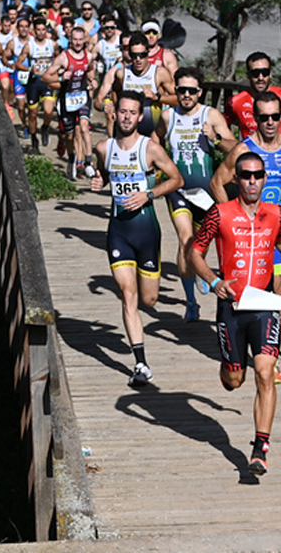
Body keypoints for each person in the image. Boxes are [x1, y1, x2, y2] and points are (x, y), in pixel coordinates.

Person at [188, 152, 281, 476]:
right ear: (236, 180)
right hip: (231, 305)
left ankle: (260, 446)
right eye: (246, 175)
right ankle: (228, 366)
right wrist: (213, 280)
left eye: (257, 175)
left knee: (265, 370)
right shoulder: (219, 214)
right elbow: (195, 251)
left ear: (264, 178)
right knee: (235, 379)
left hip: (264, 303)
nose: (252, 181)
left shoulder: (275, 212)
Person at [210, 91, 281, 384]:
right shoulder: (243, 150)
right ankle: (238, 351)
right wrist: (230, 217)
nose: (269, 122)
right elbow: (218, 182)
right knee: (252, 294)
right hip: (245, 236)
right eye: (263, 117)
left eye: (274, 117)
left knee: (279, 296)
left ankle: (270, 356)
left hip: (279, 235)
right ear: (255, 119)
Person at [89, 91, 184, 387]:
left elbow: (176, 179)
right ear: (115, 114)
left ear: (140, 117)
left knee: (149, 298)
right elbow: (105, 174)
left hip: (147, 232)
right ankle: (141, 363)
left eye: (133, 112)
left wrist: (149, 194)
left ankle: (141, 345)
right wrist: (99, 181)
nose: (127, 117)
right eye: (123, 112)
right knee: (127, 294)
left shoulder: (150, 149)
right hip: (118, 231)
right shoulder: (104, 148)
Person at [154, 67, 236, 322]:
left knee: (200, 245)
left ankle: (200, 270)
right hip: (178, 190)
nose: (186, 95)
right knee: (186, 240)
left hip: (206, 192)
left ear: (200, 92)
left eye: (192, 90)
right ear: (175, 90)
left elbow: (235, 147)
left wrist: (215, 137)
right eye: (181, 90)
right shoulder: (168, 117)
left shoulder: (210, 115)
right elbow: (153, 143)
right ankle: (190, 302)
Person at [225, 51, 281, 141]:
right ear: (248, 75)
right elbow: (220, 124)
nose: (260, 78)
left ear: (270, 74)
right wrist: (233, 145)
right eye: (255, 73)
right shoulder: (235, 101)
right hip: (252, 155)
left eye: (265, 72)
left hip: (280, 154)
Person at [43, 26, 97, 179]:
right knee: (69, 135)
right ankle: (72, 158)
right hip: (66, 99)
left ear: (85, 40)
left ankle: (88, 162)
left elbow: (90, 70)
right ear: (70, 40)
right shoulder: (63, 57)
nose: (78, 43)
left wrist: (92, 81)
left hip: (83, 96)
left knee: (84, 127)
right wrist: (60, 78)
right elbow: (45, 77)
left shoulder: (89, 56)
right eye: (75, 40)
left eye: (81, 39)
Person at [102, 33, 175, 137]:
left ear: (148, 53)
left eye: (142, 55)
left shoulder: (160, 73)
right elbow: (115, 92)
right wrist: (114, 106)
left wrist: (157, 97)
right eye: (134, 55)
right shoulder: (121, 74)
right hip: (128, 131)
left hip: (152, 132)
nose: (138, 59)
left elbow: (178, 99)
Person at [15, 18, 58, 152]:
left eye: (43, 30)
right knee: (32, 114)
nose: (40, 33)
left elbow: (59, 58)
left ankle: (45, 127)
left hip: (47, 82)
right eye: (38, 30)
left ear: (46, 30)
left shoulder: (52, 44)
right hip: (33, 83)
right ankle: (34, 139)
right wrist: (29, 69)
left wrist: (55, 71)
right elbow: (18, 63)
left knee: (48, 111)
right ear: (33, 31)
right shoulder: (29, 46)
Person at [95, 31, 131, 139]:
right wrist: (103, 106)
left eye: (131, 47)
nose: (129, 51)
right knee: (110, 116)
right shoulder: (113, 72)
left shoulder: (148, 68)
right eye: (126, 48)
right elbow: (97, 101)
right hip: (122, 122)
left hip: (143, 121)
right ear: (120, 48)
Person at [3, 18, 33, 135]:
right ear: (17, 28)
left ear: (29, 28)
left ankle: (32, 125)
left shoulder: (33, 41)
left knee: (32, 105)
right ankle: (25, 125)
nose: (24, 29)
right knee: (21, 107)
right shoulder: (13, 42)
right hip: (19, 77)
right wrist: (9, 65)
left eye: (26, 26)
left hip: (32, 77)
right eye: (21, 26)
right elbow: (4, 56)